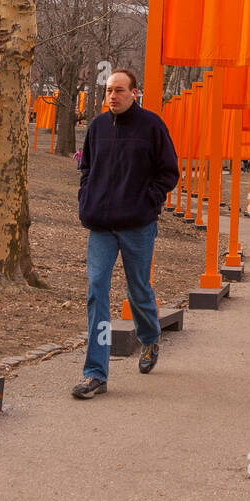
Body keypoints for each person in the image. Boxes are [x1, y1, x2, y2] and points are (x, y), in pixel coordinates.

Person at [72, 68, 179, 400]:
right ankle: (96, 374)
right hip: (101, 227)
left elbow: (169, 171)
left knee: (138, 290)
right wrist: (85, 197)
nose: (112, 96)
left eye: (119, 90)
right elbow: (86, 168)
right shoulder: (98, 127)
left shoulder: (151, 127)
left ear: (135, 92)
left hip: (137, 225)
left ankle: (149, 338)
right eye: (108, 90)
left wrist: (148, 200)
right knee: (96, 292)